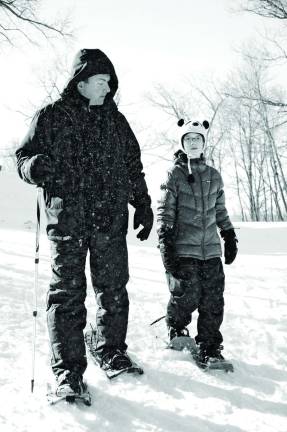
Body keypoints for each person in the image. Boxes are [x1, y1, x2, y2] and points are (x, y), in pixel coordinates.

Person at [16, 49, 153, 395]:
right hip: (68, 221)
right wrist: (33, 167)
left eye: (110, 82)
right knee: (67, 295)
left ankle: (110, 349)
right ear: (82, 83)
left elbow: (132, 166)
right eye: (102, 81)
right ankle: (68, 372)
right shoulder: (51, 116)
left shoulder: (116, 122)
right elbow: (22, 156)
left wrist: (143, 204)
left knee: (113, 289)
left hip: (109, 218)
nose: (108, 88)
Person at [157, 119, 238, 367]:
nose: (193, 143)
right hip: (184, 248)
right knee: (186, 295)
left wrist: (228, 234)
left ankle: (210, 346)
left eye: (197, 139)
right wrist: (165, 240)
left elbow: (220, 210)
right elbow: (165, 210)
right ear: (182, 144)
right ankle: (177, 329)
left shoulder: (214, 176)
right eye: (188, 139)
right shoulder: (175, 174)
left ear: (203, 144)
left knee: (213, 300)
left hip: (211, 250)